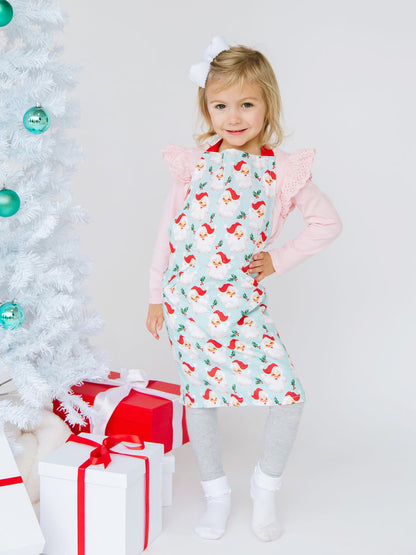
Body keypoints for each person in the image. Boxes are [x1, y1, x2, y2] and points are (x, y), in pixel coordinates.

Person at [146, 36, 342, 542]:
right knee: (201, 399)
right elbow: (167, 234)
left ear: (267, 105)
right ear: (206, 108)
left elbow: (327, 224)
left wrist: (278, 258)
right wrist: (153, 296)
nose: (233, 117)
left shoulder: (281, 172)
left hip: (241, 310)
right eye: (220, 105)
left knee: (288, 397)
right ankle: (216, 495)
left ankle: (265, 489)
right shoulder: (193, 166)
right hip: (187, 304)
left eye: (246, 104)